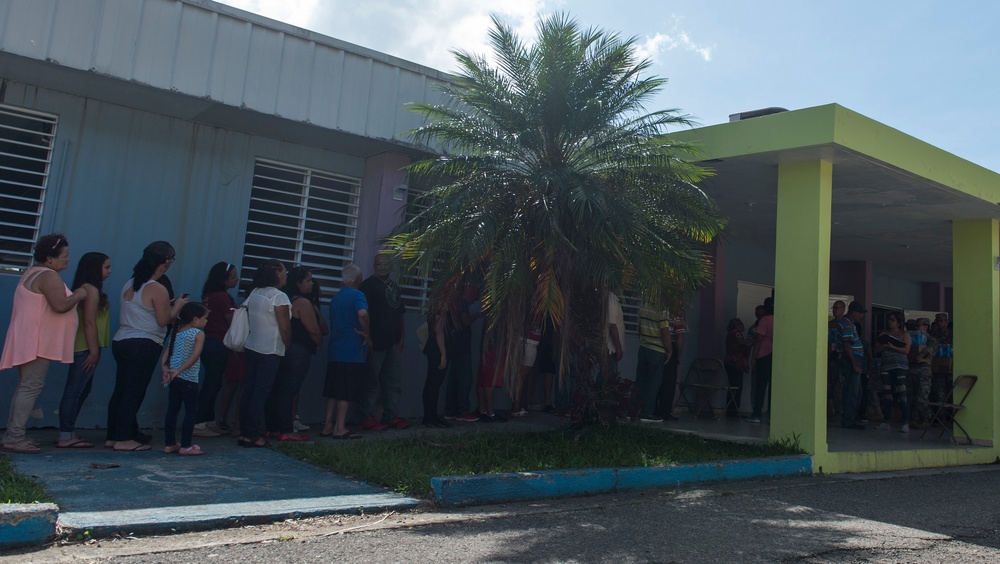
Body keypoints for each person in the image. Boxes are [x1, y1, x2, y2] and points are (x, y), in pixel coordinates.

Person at [0, 234, 87, 454]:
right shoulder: (48, 276)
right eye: (64, 256)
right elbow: (60, 305)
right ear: (50, 258)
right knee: (30, 387)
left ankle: (13, 434)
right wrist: (79, 294)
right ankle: (14, 437)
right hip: (37, 341)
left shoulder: (32, 272)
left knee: (25, 387)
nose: (68, 260)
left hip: (29, 338)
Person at [106, 241, 188, 452]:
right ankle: (124, 439)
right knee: (134, 391)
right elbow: (164, 320)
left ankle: (113, 435)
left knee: (121, 389)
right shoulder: (156, 288)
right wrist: (177, 305)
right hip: (144, 342)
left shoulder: (131, 283)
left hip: (122, 339)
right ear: (165, 262)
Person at [56, 252, 112, 448]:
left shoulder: (86, 288)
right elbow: (89, 322)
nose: (109, 272)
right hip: (85, 348)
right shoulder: (90, 290)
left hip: (85, 347)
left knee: (80, 390)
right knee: (74, 391)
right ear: (95, 268)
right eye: (106, 267)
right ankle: (65, 435)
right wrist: (93, 350)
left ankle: (68, 431)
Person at [264, 266, 322, 442]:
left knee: (277, 389)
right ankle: (286, 429)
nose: (311, 284)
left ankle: (272, 427)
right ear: (297, 283)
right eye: (308, 280)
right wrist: (318, 343)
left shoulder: (285, 299)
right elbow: (314, 330)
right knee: (288, 390)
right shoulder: (302, 303)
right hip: (298, 351)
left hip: (282, 349)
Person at [237, 260, 291, 448]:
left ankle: (245, 432)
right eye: (285, 271)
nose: (286, 274)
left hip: (252, 346)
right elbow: (284, 327)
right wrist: (288, 345)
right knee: (261, 392)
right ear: (277, 273)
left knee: (250, 391)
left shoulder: (255, 292)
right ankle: (253, 434)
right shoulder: (279, 297)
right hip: (270, 349)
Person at [357, 253, 410, 430]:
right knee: (372, 382)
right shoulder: (368, 285)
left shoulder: (395, 287)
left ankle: (391, 416)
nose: (381, 267)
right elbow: (363, 313)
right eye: (378, 264)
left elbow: (400, 313)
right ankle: (366, 416)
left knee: (393, 382)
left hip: (392, 343)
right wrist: (368, 337)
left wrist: (401, 337)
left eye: (385, 264)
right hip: (375, 342)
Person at [321, 264, 370, 439]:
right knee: (345, 390)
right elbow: (362, 313)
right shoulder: (358, 295)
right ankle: (340, 427)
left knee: (334, 390)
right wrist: (366, 333)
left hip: (335, 349)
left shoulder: (336, 297)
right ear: (358, 279)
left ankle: (327, 424)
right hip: (351, 350)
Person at [192, 262, 238, 438]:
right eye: (233, 277)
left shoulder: (209, 295)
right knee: (212, 384)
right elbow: (231, 320)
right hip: (218, 342)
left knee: (214, 383)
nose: (236, 280)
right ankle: (199, 422)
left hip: (209, 341)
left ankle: (208, 421)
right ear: (223, 279)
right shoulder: (222, 297)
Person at [161, 302, 210, 456]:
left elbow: (167, 353)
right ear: (195, 319)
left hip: (174, 379)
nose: (206, 321)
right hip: (188, 379)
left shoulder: (177, 331)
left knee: (172, 410)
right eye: (205, 318)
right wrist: (179, 370)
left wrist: (165, 370)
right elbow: (195, 355)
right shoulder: (198, 333)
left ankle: (169, 444)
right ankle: (186, 445)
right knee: (191, 411)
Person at [874, 311, 911, 433]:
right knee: (887, 393)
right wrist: (885, 346)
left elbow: (906, 350)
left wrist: (893, 347)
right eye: (889, 319)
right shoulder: (884, 334)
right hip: (886, 366)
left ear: (899, 322)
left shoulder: (904, 334)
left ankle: (905, 422)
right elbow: (876, 348)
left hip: (900, 366)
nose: (890, 322)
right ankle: (886, 421)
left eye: (892, 320)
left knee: (902, 393)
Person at [635, 301, 671, 422]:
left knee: (640, 380)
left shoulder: (643, 305)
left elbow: (638, 328)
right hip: (656, 349)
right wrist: (669, 350)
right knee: (653, 382)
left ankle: (634, 409)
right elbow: (665, 332)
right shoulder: (662, 308)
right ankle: (647, 412)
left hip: (643, 347)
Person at [837, 300, 867, 430]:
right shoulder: (847, 324)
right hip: (852, 359)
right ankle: (848, 421)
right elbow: (847, 345)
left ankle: (851, 419)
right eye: (860, 313)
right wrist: (854, 364)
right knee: (852, 392)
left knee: (857, 392)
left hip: (854, 359)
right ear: (854, 312)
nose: (861, 316)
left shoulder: (849, 323)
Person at [421, 300, 450, 428]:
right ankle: (430, 417)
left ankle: (430, 416)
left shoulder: (434, 307)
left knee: (431, 384)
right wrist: (443, 354)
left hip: (432, 348)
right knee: (434, 384)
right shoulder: (441, 306)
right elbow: (439, 331)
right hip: (436, 349)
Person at [656, 307, 687, 420]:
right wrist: (679, 355)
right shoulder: (675, 315)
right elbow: (679, 337)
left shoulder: (657, 309)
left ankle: (654, 408)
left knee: (657, 380)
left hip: (656, 347)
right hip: (670, 347)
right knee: (669, 382)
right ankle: (664, 411)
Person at [907, 317, 937, 429]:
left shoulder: (931, 339)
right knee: (911, 395)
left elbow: (931, 349)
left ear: (925, 326)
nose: (917, 328)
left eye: (919, 326)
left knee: (923, 396)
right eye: (916, 326)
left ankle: (925, 418)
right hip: (912, 369)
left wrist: (921, 355)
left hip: (924, 371)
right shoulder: (912, 337)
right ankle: (914, 418)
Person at [748, 301, 773, 423]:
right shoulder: (781, 319)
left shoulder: (765, 320)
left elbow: (759, 339)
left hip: (764, 354)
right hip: (777, 356)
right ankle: (774, 414)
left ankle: (756, 413)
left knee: (761, 386)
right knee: (775, 386)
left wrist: (754, 357)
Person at [723, 318, 749, 417]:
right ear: (736, 325)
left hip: (731, 362)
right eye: (740, 324)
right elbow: (741, 343)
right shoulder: (735, 333)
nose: (743, 325)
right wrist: (753, 341)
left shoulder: (731, 334)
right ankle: (733, 410)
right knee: (736, 387)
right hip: (735, 363)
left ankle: (731, 409)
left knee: (733, 386)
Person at [606, 291, 625, 375]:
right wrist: (618, 348)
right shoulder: (611, 299)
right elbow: (612, 326)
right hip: (611, 348)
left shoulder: (615, 299)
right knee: (610, 376)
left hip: (613, 348)